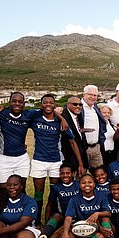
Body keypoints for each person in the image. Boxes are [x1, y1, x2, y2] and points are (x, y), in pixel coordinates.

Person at [30, 94, 84, 226]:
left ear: (55, 105)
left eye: (51, 103)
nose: (48, 105)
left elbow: (72, 142)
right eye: (45, 103)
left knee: (54, 193)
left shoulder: (60, 123)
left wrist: (80, 163)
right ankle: (37, 221)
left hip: (56, 162)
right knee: (39, 193)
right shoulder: (35, 118)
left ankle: (52, 221)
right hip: (39, 160)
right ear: (41, 104)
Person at [49, 173, 112, 238]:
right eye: (83, 183)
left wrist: (97, 213)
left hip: (94, 227)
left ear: (94, 184)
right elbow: (68, 217)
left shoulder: (101, 196)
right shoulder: (74, 199)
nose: (87, 185)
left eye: (90, 182)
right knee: (68, 237)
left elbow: (108, 213)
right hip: (78, 226)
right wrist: (65, 232)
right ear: (79, 185)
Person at [38, 164, 79, 238]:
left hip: (76, 216)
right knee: (56, 216)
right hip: (62, 215)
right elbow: (49, 204)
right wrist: (47, 222)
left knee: (71, 223)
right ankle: (44, 235)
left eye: (67, 173)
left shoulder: (78, 185)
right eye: (62, 173)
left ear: (73, 174)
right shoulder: (56, 187)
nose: (65, 175)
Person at [81, 84, 107, 169]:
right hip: (83, 148)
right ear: (84, 94)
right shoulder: (77, 107)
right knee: (80, 174)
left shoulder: (95, 107)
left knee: (99, 173)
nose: (93, 97)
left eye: (95, 95)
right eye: (90, 94)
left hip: (96, 147)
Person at [61, 96, 89, 172]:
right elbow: (71, 142)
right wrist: (80, 163)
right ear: (68, 105)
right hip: (69, 158)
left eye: (80, 105)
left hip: (81, 154)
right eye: (75, 104)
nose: (78, 106)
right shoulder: (63, 118)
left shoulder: (79, 116)